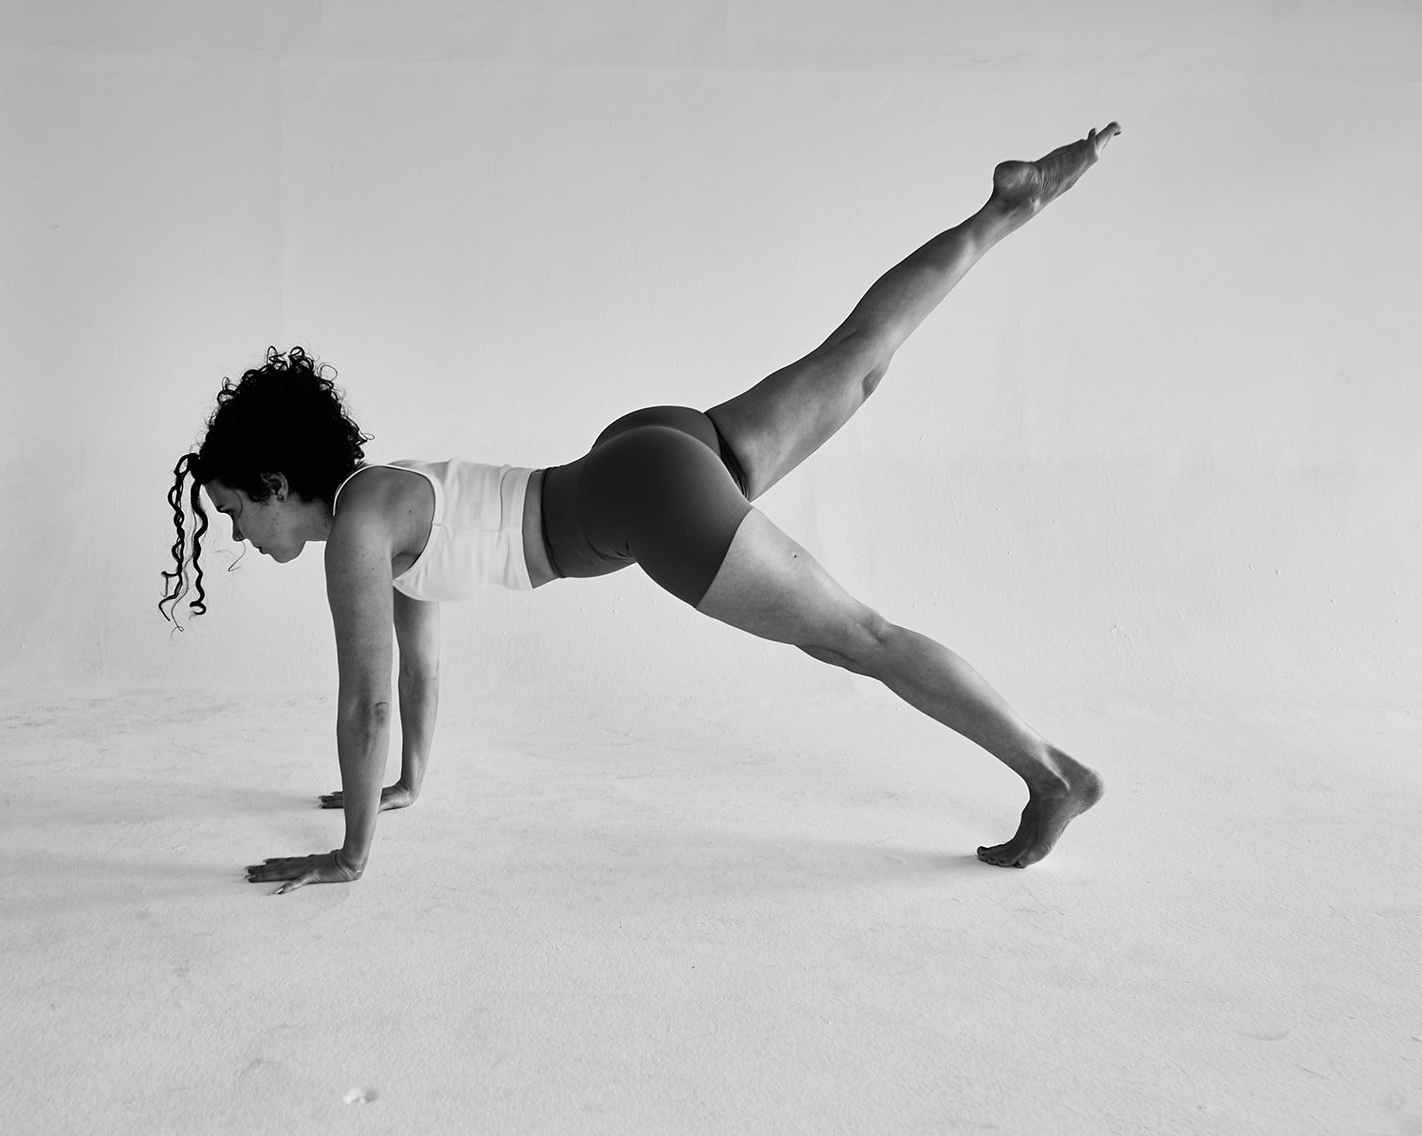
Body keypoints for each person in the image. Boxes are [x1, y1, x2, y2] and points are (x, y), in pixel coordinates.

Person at [161, 123, 1120, 894]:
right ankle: (1004, 209)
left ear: (277, 484)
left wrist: (353, 854)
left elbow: (363, 699)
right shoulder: (380, 506)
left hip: (647, 498)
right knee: (859, 360)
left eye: (237, 511)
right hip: (644, 451)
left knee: (857, 638)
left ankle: (1051, 774)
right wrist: (408, 782)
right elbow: (416, 666)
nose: (242, 534)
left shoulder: (360, 532)